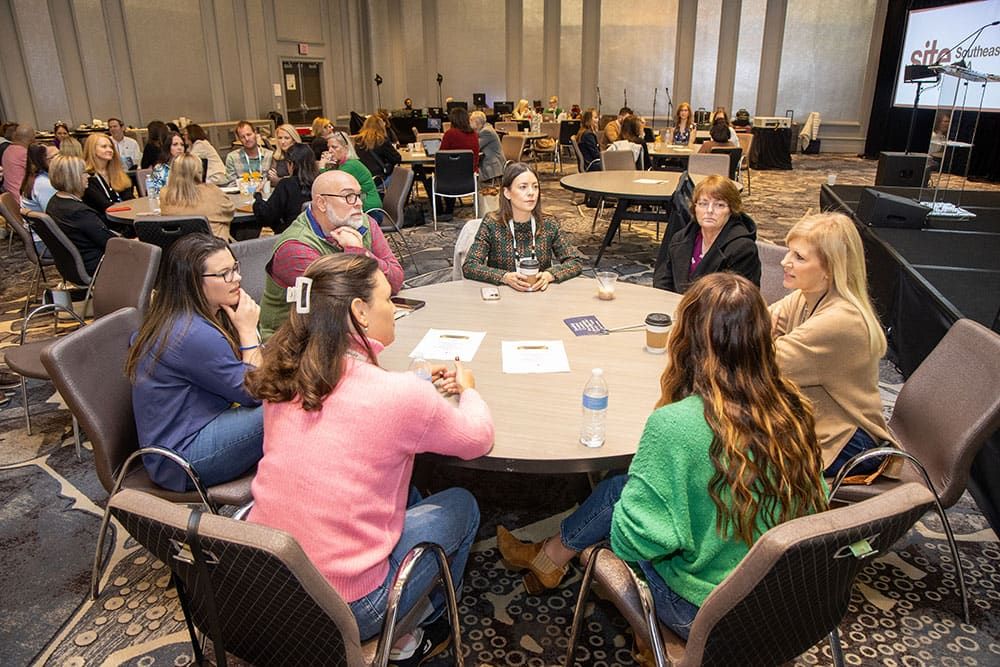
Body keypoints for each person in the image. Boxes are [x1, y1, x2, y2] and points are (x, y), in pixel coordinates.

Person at [496, 272, 827, 644]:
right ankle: (549, 559)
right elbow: (814, 502)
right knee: (620, 488)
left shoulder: (676, 425)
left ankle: (553, 562)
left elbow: (632, 543)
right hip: (785, 602)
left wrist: (647, 481)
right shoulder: (792, 407)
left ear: (687, 338)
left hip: (705, 612)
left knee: (619, 495)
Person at [246, 253, 494, 664]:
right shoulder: (397, 397)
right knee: (462, 505)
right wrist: (468, 388)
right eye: (388, 298)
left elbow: (352, 403)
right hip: (348, 607)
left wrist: (413, 382)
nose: (394, 308)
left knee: (407, 493)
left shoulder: (285, 377)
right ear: (360, 311)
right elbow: (477, 437)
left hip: (266, 586)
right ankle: (423, 627)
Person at [125, 233, 263, 493]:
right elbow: (257, 392)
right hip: (181, 460)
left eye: (235, 268)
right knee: (284, 407)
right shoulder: (192, 333)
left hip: (190, 433)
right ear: (193, 282)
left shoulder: (180, 315)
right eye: (224, 274)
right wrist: (247, 332)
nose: (237, 278)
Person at [770, 212, 895, 480]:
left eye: (799, 257)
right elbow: (754, 326)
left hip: (845, 442)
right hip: (814, 423)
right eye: (789, 251)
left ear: (830, 269)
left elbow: (758, 363)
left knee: (736, 458)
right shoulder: (805, 297)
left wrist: (765, 340)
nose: (784, 261)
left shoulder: (840, 321)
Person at [258, 169, 404, 339]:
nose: (358, 203)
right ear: (322, 203)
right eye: (349, 196)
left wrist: (363, 252)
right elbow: (339, 306)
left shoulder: (364, 223)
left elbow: (395, 282)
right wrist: (356, 252)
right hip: (294, 341)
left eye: (359, 195)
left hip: (350, 328)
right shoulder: (295, 247)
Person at [462, 162, 582, 290]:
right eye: (523, 187)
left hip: (540, 294)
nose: (531, 193)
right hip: (504, 295)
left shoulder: (548, 224)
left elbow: (575, 262)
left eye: (535, 187)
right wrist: (504, 277)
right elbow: (470, 266)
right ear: (507, 193)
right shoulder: (492, 224)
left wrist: (550, 275)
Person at [652, 174, 760, 293]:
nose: (709, 211)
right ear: (695, 208)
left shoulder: (742, 249)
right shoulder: (681, 238)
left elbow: (739, 297)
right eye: (703, 204)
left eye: (719, 205)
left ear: (731, 210)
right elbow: (663, 280)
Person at [45, 154, 116, 275]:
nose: (88, 176)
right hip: (98, 264)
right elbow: (112, 243)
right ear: (72, 177)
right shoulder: (78, 212)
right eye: (84, 173)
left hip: (72, 265)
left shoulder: (54, 203)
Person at [159, 154, 236, 240]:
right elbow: (230, 211)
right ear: (199, 171)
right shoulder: (212, 191)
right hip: (213, 245)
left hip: (179, 246)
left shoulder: (165, 194)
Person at [252, 143, 316, 234]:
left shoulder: (286, 185)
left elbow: (266, 217)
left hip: (291, 235)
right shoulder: (320, 181)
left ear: (291, 164)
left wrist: (258, 195)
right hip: (317, 235)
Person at [322, 131, 382, 215]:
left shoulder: (351, 165)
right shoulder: (343, 163)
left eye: (334, 147)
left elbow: (328, 184)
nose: (330, 151)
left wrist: (322, 167)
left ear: (346, 148)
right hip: (358, 207)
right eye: (328, 147)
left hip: (370, 211)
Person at [436, 107, 479, 220]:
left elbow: (441, 154)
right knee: (453, 170)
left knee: (429, 178)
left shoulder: (450, 134)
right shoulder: (474, 134)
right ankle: (447, 210)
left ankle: (440, 211)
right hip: (469, 176)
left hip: (450, 178)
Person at [82, 133, 134, 226]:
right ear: (92, 149)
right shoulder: (87, 177)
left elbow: (130, 199)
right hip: (104, 224)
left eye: (111, 147)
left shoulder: (118, 173)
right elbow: (103, 205)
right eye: (104, 146)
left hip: (126, 219)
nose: (110, 150)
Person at [355, 114, 401, 188]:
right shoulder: (381, 140)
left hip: (363, 180)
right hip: (379, 180)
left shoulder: (358, 141)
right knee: (402, 177)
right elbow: (397, 158)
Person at [20, 143, 59, 212]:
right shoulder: (43, 183)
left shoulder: (42, 175)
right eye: (55, 156)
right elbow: (56, 214)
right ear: (41, 161)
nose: (62, 159)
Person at [470, 110, 503, 182]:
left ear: (477, 122)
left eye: (471, 120)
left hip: (492, 165)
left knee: (469, 170)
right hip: (486, 161)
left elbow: (475, 147)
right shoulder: (483, 129)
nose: (469, 122)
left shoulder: (486, 131)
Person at [2, 124, 33, 199]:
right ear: (31, 139)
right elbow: (40, 169)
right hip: (21, 196)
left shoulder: (8, 150)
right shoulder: (23, 153)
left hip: (10, 194)